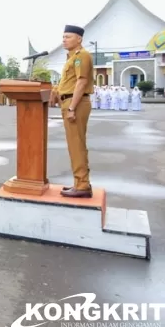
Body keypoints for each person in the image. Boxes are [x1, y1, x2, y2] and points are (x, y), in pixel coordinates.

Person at [56, 25, 94, 198]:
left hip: (75, 103)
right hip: (69, 101)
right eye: (63, 37)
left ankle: (82, 185)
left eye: (68, 36)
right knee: (74, 145)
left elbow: (82, 81)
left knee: (77, 145)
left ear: (79, 39)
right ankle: (79, 182)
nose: (64, 39)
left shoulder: (81, 56)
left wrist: (71, 108)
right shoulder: (71, 58)